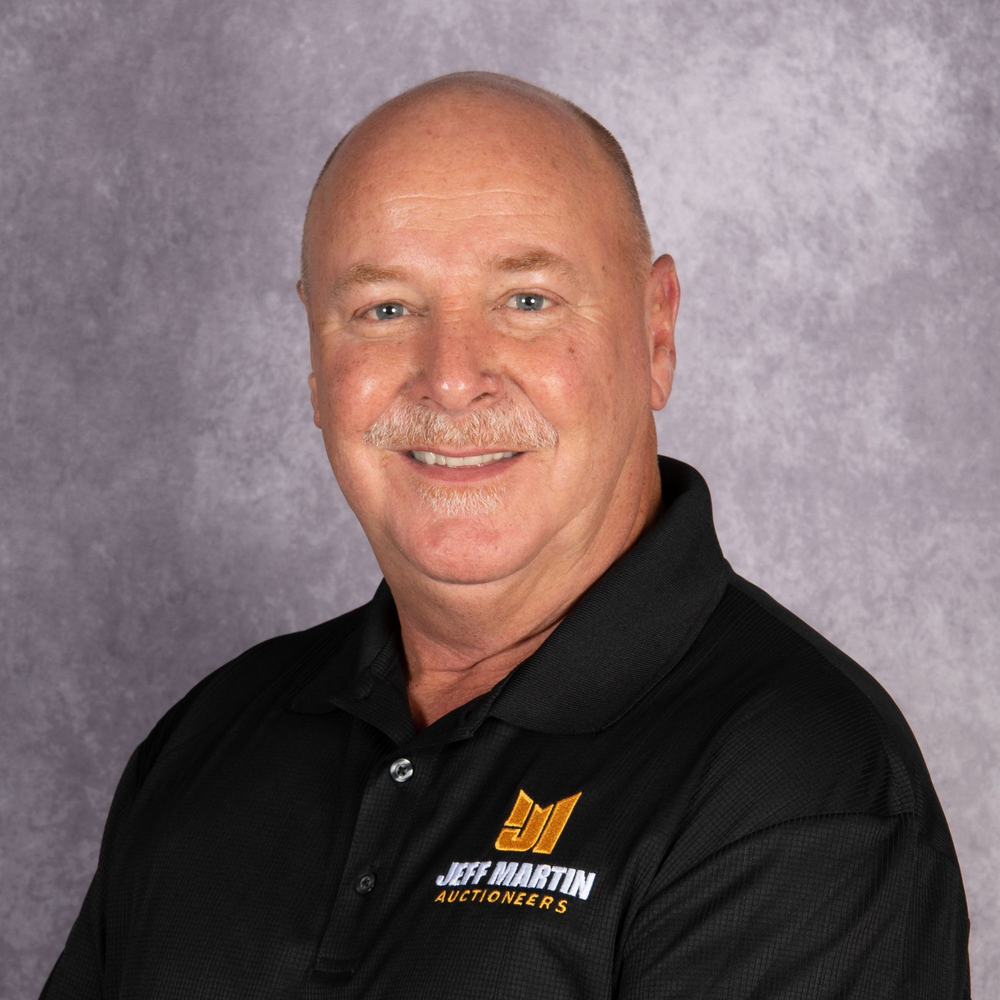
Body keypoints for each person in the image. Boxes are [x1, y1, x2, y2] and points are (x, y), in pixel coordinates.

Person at [42, 71, 970, 999]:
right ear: (317, 365)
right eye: (385, 309)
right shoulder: (207, 742)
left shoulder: (801, 794)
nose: (451, 380)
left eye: (527, 300)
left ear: (656, 334)